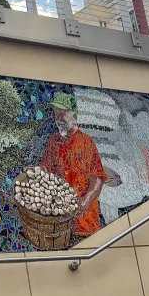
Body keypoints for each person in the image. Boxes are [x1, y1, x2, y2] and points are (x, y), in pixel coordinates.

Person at [40, 92, 107, 237]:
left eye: (62, 114)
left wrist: (86, 200)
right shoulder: (53, 140)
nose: (58, 118)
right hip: (59, 223)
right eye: (56, 114)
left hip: (85, 223)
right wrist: (37, 172)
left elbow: (98, 178)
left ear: (74, 116)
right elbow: (45, 168)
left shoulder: (87, 142)